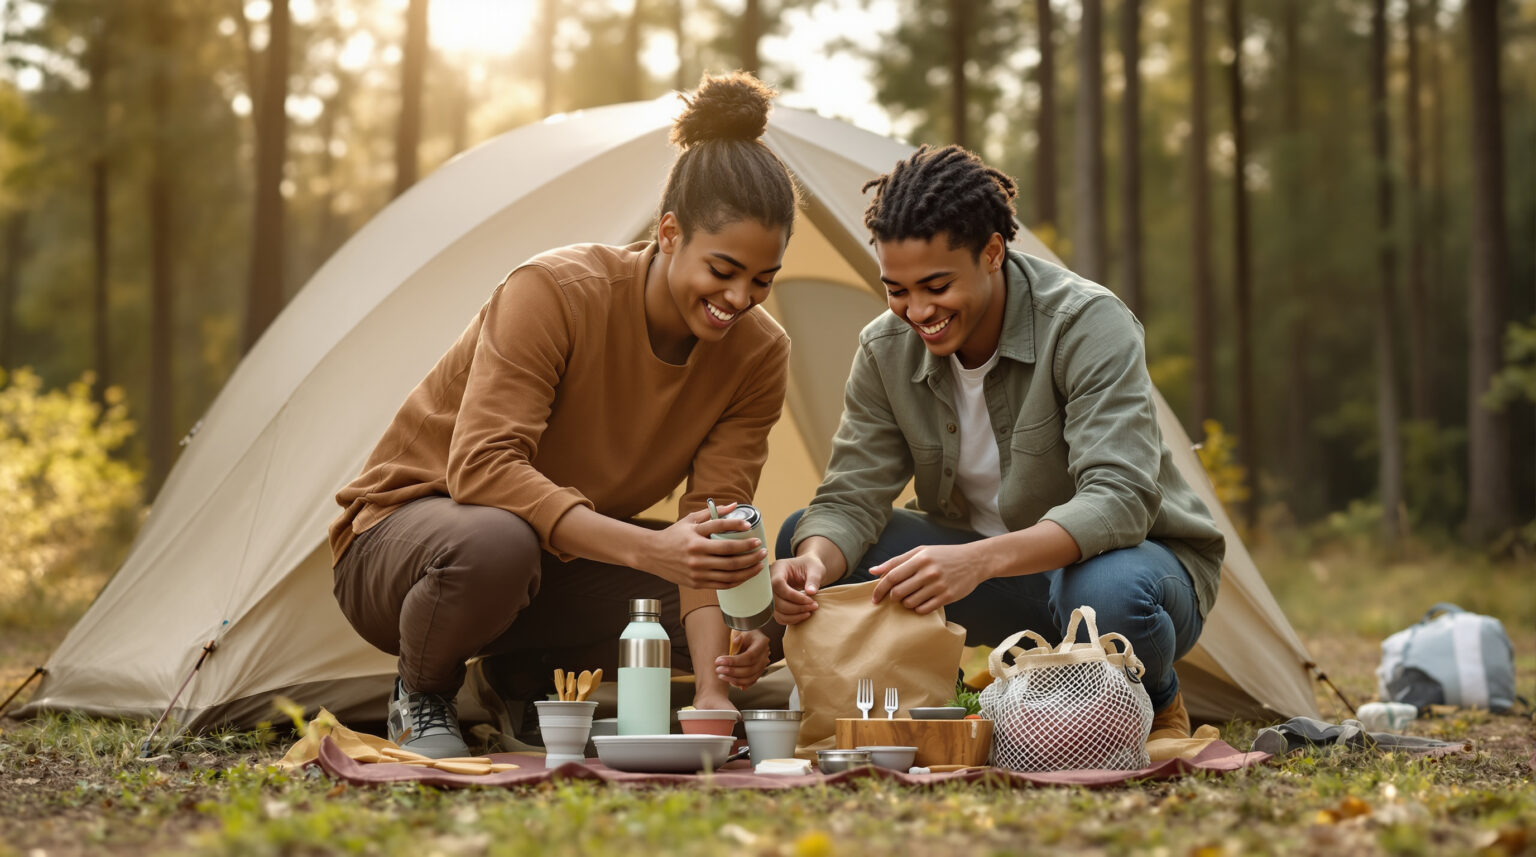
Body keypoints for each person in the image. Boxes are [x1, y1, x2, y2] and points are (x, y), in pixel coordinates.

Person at [329, 73, 799, 758]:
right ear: (669, 233)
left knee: (760, 604)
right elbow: (481, 468)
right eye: (723, 270)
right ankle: (422, 692)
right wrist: (649, 549)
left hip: (554, 563)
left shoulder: (758, 355)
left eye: (762, 280)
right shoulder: (554, 291)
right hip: (410, 547)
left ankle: (522, 676)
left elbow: (714, 529)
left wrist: (713, 689)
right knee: (497, 543)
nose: (740, 297)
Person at [769, 145, 1225, 740]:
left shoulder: (1085, 322)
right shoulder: (884, 349)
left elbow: (1119, 498)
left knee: (1104, 595)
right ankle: (966, 693)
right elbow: (851, 495)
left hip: (1130, 568)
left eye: (936, 285)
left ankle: (1158, 696)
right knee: (806, 535)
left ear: (992, 252)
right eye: (897, 289)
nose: (917, 311)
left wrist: (976, 561)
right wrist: (810, 564)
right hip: (996, 577)